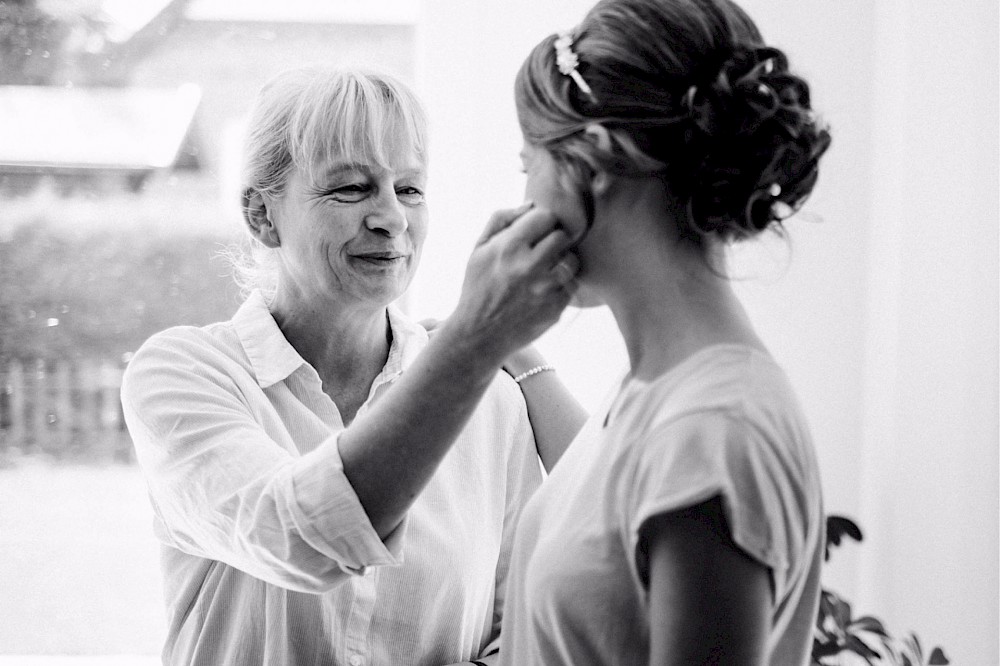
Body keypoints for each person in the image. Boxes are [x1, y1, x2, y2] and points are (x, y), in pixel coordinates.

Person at [121, 67, 585, 666]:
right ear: (262, 215)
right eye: (351, 188)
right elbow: (301, 538)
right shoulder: (184, 374)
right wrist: (475, 339)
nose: (391, 217)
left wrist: (508, 357)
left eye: (410, 189)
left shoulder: (492, 401)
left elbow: (522, 629)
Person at [500, 1, 832, 664]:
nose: (522, 202)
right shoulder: (655, 391)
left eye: (526, 165)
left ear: (593, 160)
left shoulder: (712, 430)